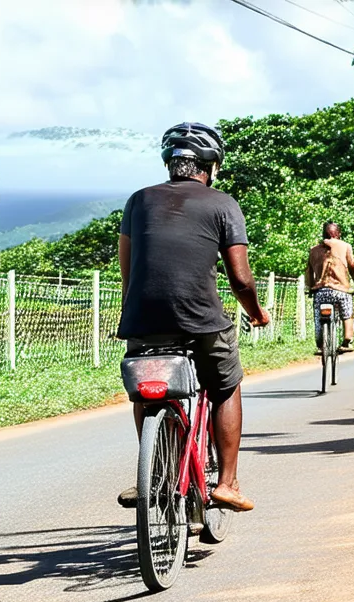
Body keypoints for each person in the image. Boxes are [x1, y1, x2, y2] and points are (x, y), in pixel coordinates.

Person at [116, 122, 269, 512]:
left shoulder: (138, 200)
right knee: (225, 386)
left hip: (142, 318)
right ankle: (229, 484)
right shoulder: (222, 203)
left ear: (170, 163)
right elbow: (240, 278)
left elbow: (127, 271)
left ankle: (155, 475)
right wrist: (257, 313)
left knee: (147, 387)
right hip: (201, 319)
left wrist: (136, 310)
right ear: (211, 164)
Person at [305, 221, 354, 354]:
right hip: (341, 291)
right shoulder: (345, 246)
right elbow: (352, 267)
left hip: (321, 291)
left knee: (317, 314)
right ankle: (347, 340)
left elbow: (308, 271)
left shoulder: (313, 250)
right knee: (347, 312)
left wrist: (310, 287)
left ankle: (320, 343)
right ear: (339, 233)